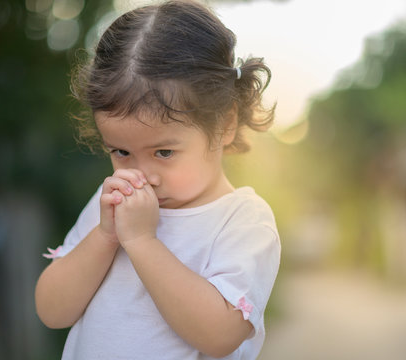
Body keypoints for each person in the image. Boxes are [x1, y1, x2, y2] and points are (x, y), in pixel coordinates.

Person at [35, 1, 280, 359]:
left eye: (164, 153)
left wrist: (141, 242)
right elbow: (52, 311)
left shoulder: (242, 221)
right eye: (120, 152)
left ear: (225, 124)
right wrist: (106, 235)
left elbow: (220, 335)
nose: (142, 175)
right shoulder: (112, 204)